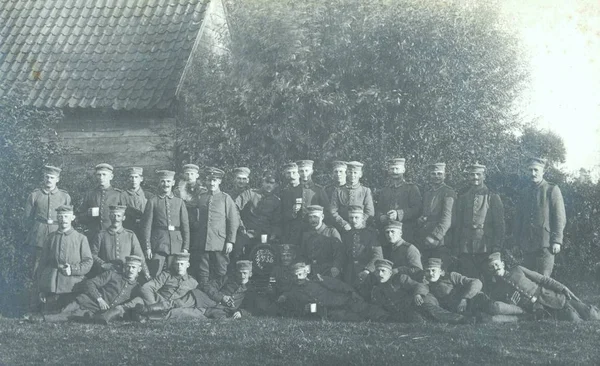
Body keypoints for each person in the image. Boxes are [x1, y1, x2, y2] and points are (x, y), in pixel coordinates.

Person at [486, 252, 599, 322]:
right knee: (572, 318)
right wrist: (510, 302)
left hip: (551, 296)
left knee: (590, 313)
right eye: (491, 267)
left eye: (496, 264)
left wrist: (562, 288)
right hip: (538, 310)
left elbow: (543, 279)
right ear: (490, 272)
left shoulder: (518, 270)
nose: (495, 268)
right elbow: (508, 307)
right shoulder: (497, 291)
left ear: (503, 264)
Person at [33, 255, 143, 323]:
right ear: (124, 267)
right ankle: (39, 315)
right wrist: (99, 299)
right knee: (63, 310)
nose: (130, 270)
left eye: (134, 267)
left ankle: (42, 318)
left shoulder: (136, 288)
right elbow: (90, 283)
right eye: (128, 266)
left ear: (139, 269)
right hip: (86, 300)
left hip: (95, 312)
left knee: (70, 316)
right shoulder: (112, 275)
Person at [23, 165, 71, 311]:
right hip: (39, 235)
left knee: (57, 266)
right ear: (43, 178)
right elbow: (27, 219)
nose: (49, 180)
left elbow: (68, 217)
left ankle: (54, 304)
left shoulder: (64, 196)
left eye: (52, 177)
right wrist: (35, 232)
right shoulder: (35, 195)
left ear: (58, 179)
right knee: (37, 269)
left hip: (58, 234)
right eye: (46, 177)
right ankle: (34, 304)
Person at [276, 262, 389, 322]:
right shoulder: (293, 292)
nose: (298, 278)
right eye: (295, 276)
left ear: (305, 274)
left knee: (365, 309)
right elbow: (294, 309)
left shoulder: (318, 279)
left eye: (300, 274)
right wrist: (305, 310)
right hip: (328, 311)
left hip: (344, 300)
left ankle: (388, 317)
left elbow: (338, 285)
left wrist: (351, 292)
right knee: (349, 318)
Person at [367, 259, 467, 324]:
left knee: (427, 307)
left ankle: (460, 319)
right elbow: (378, 306)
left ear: (390, 272)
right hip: (406, 311)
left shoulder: (400, 278)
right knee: (417, 321)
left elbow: (420, 285)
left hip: (420, 301)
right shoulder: (376, 290)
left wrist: (418, 294)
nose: (380, 274)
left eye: (383, 271)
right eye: (377, 271)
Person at [512, 157, 566, 276]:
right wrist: (516, 242)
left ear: (543, 172)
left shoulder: (552, 189)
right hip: (527, 244)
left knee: (544, 280)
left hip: (545, 244)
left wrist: (557, 240)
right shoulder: (524, 192)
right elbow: (518, 219)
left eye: (536, 170)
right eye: (530, 170)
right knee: (528, 280)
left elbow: (559, 217)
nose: (533, 173)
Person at [190, 167, 240, 288]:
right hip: (203, 242)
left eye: (215, 180)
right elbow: (193, 216)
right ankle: (205, 298)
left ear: (219, 181)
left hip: (220, 243)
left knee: (221, 271)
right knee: (203, 272)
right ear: (206, 181)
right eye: (209, 180)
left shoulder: (225, 198)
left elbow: (233, 221)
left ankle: (220, 298)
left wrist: (230, 241)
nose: (211, 183)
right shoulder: (201, 198)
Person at [36, 205, 93, 311]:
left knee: (68, 309)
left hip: (72, 286)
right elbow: (43, 264)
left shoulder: (81, 238)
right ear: (57, 218)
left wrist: (72, 269)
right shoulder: (50, 238)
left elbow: (88, 262)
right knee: (49, 310)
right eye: (60, 217)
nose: (63, 220)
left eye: (66, 216)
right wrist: (42, 288)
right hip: (52, 285)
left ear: (72, 218)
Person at [453, 164, 505, 279]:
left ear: (484, 176)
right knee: (469, 278)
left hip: (486, 245)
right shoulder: (463, 198)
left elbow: (499, 225)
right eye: (472, 174)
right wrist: (457, 245)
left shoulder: (493, 197)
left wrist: (497, 246)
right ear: (468, 177)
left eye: (478, 174)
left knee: (488, 280)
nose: (475, 177)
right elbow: (458, 225)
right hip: (466, 246)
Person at [119, 252, 198, 320]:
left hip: (173, 309)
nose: (179, 267)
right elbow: (146, 287)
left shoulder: (193, 283)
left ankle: (137, 316)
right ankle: (111, 314)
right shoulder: (166, 275)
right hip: (155, 301)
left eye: (182, 264)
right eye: (177, 264)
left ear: (188, 265)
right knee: (136, 302)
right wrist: (153, 306)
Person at [141, 170, 190, 277]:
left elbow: (185, 227)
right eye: (163, 181)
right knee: (155, 273)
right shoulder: (153, 201)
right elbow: (147, 227)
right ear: (159, 183)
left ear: (173, 183)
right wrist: (147, 247)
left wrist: (185, 247)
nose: (166, 184)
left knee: (175, 274)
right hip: (158, 244)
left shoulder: (179, 202)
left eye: (168, 181)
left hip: (176, 245)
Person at [91, 205, 150, 280]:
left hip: (125, 275)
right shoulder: (101, 235)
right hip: (106, 275)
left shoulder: (130, 235)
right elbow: (92, 255)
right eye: (113, 216)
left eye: (119, 216)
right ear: (110, 217)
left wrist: (147, 274)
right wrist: (103, 264)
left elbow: (140, 256)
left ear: (123, 218)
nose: (116, 219)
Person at [235, 170, 281, 257]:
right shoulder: (250, 193)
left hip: (265, 235)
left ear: (276, 185)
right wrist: (240, 225)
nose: (269, 185)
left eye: (272, 183)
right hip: (248, 233)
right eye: (266, 182)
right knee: (239, 252)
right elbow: (234, 207)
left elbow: (277, 221)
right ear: (262, 182)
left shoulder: (276, 201)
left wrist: (274, 234)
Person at [187, 260, 253, 320]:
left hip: (216, 311)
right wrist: (221, 297)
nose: (242, 276)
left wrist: (241, 312)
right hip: (204, 300)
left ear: (250, 274)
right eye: (239, 273)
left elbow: (253, 306)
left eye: (245, 273)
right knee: (180, 302)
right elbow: (207, 286)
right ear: (236, 273)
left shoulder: (251, 289)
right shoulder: (227, 279)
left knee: (181, 312)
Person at [376, 158, 422, 243]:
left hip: (406, 233)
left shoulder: (411, 188)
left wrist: (398, 214)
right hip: (387, 233)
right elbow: (378, 209)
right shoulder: (384, 191)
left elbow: (417, 209)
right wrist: (381, 217)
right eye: (392, 169)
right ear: (389, 171)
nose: (395, 171)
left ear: (403, 170)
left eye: (397, 169)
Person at [416, 163, 455, 264]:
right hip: (425, 235)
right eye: (433, 174)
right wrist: (420, 220)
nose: (436, 176)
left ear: (444, 176)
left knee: (439, 268)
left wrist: (435, 237)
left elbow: (447, 219)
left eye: (439, 174)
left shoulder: (448, 192)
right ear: (429, 175)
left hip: (441, 239)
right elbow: (424, 213)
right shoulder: (427, 193)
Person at [340, 206, 383, 286]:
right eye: (351, 217)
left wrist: (367, 270)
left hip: (367, 273)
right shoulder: (346, 234)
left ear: (362, 218)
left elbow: (378, 256)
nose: (353, 220)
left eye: (357, 217)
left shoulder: (371, 234)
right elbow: (342, 254)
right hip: (349, 274)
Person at [79, 163, 123, 240]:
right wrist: (88, 214)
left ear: (111, 177)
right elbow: (79, 217)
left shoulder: (119, 195)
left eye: (104, 174)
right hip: (94, 236)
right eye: (98, 175)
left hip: (112, 236)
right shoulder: (90, 194)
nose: (101, 177)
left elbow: (126, 218)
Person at [299, 205, 343, 279]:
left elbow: (339, 253)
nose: (312, 220)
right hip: (311, 271)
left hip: (328, 271)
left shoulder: (331, 231)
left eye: (315, 217)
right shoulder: (306, 234)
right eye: (310, 217)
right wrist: (305, 265)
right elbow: (303, 254)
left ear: (322, 217)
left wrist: (336, 267)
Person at [330, 161, 375, 232]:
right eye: (350, 172)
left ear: (360, 174)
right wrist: (343, 223)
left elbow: (370, 212)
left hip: (361, 228)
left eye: (355, 173)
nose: (352, 175)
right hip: (343, 229)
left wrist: (361, 223)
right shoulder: (338, 191)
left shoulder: (365, 191)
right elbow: (333, 211)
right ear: (346, 173)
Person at [121, 167, 153, 242]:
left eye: (136, 177)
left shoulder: (148, 196)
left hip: (144, 230)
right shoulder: (123, 195)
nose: (134, 180)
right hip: (129, 229)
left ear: (141, 179)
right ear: (128, 179)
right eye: (131, 177)